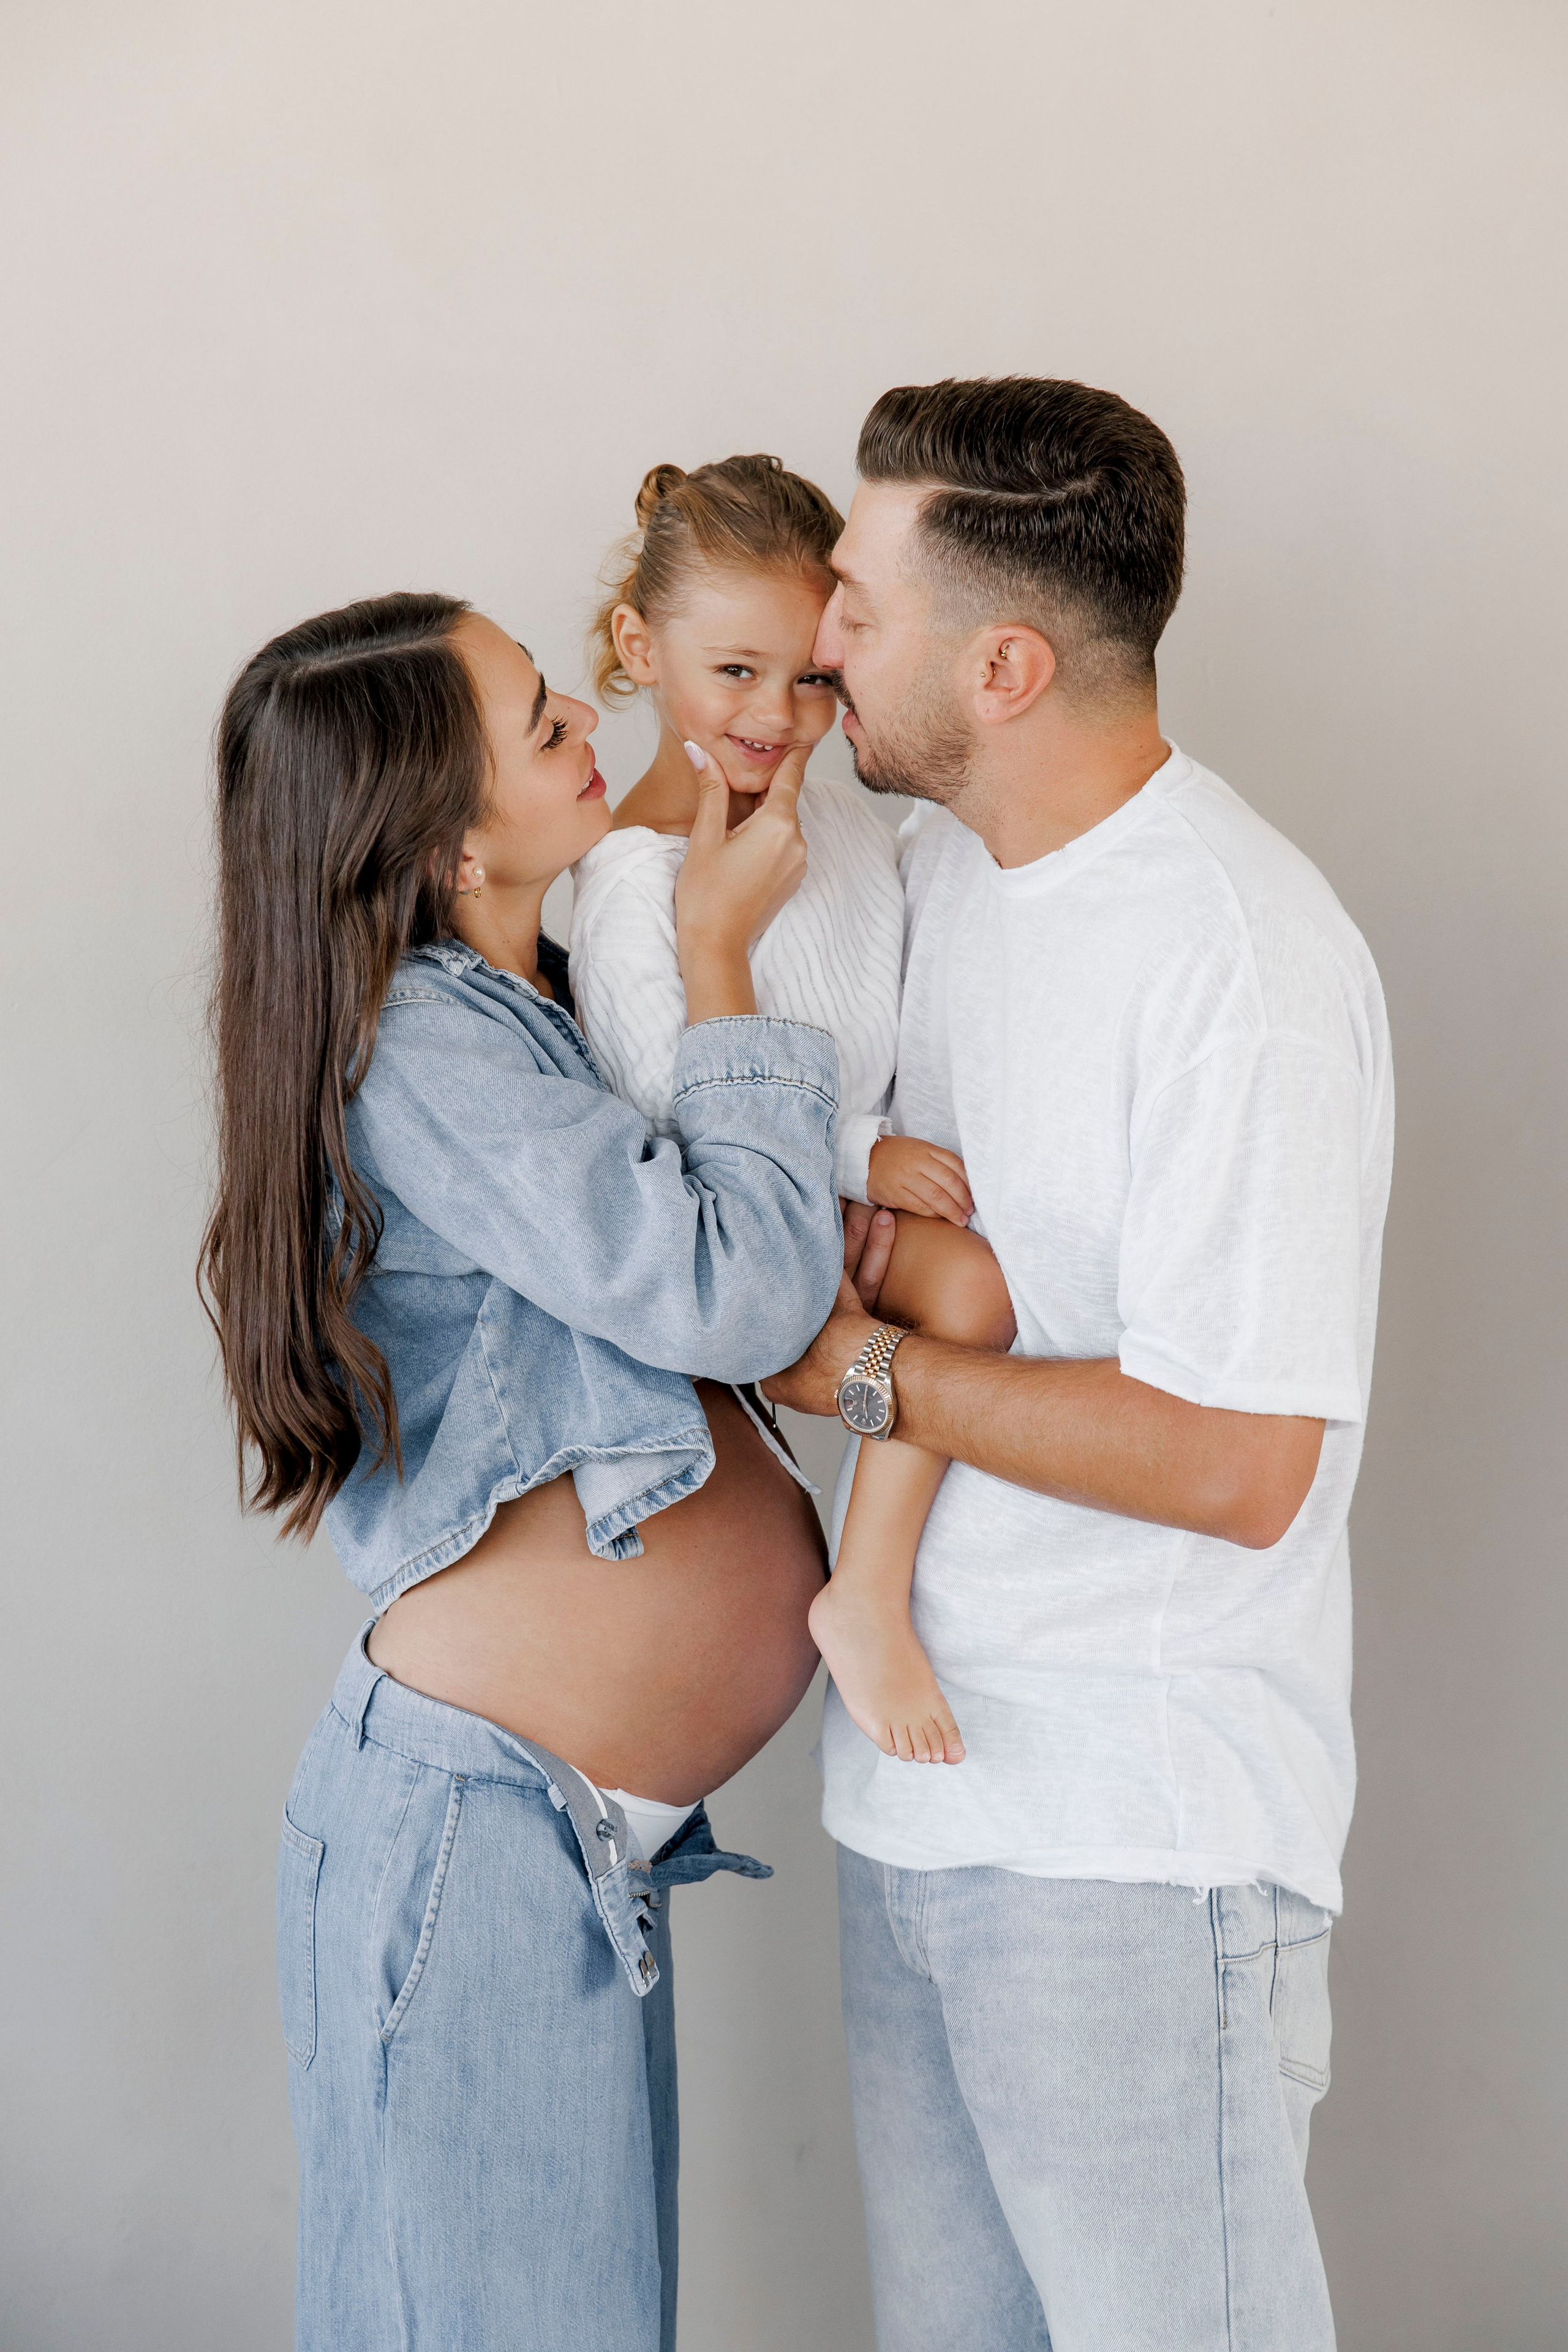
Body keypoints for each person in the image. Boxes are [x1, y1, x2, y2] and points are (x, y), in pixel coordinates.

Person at [766, 377, 1394, 2351]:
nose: (818, 642)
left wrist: (858, 1373)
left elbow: (1240, 1464)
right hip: (920, 1803)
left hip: (1136, 1849)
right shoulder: (941, 880)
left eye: (858, 607)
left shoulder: (1240, 957)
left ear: (1009, 662)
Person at [200, 589, 845, 2352]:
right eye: (539, 712)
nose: (585, 718)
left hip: (535, 1843)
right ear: (443, 828)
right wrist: (724, 971)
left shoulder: (520, 1006)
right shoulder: (425, 1046)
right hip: (472, 1839)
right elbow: (732, 1286)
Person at [570, 453, 1014, 1768]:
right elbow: (667, 1098)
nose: (780, 714)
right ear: (638, 649)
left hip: (865, 1190)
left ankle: (869, 1577)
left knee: (979, 1291)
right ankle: (863, 1593)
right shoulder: (629, 889)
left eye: (813, 675)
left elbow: (903, 1000)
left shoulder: (860, 838)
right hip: (763, 1211)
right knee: (975, 1299)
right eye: (737, 672)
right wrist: (858, 1154)